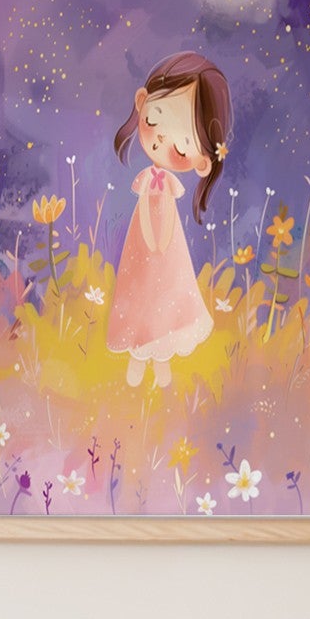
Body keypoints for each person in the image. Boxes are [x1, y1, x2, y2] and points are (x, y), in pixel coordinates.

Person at [109, 52, 230, 387]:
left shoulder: (169, 185)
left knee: (166, 302)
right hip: (143, 253)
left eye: (182, 145)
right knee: (140, 300)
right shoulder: (148, 182)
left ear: (202, 162)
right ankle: (137, 357)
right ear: (141, 102)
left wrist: (162, 244)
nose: (163, 139)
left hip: (168, 255)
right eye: (156, 119)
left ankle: (161, 362)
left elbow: (163, 223)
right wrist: (153, 242)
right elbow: (146, 219)